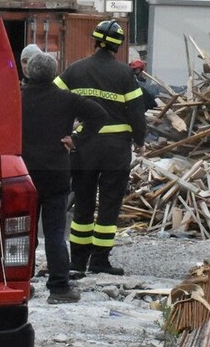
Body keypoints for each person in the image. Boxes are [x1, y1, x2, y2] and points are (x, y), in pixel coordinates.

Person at [55, 20, 146, 276]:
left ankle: (77, 261)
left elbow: (53, 95)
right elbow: (136, 112)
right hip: (115, 150)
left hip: (83, 147)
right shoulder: (125, 74)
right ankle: (100, 260)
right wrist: (140, 140)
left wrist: (62, 131)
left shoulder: (75, 70)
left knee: (83, 201)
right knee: (109, 203)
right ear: (118, 46)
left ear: (94, 41)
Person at [20, 52, 107, 304]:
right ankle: (59, 288)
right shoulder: (66, 99)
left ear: (28, 72)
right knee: (55, 233)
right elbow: (99, 115)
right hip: (55, 175)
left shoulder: (16, 98)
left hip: (22, 176)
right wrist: (76, 139)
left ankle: (21, 285)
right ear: (54, 74)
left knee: (22, 233)